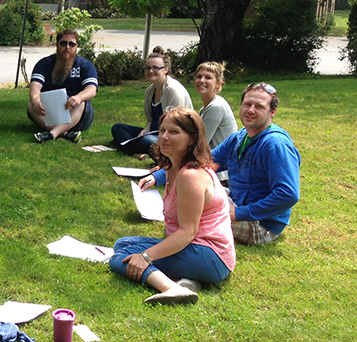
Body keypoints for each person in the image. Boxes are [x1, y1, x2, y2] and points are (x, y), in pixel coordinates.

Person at [110, 107, 235, 305]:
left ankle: (172, 288)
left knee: (121, 258)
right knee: (123, 244)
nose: (165, 137)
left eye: (174, 132)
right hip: (199, 250)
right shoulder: (173, 167)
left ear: (193, 139)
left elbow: (187, 233)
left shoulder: (190, 176)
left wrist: (145, 256)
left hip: (210, 256)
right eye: (162, 131)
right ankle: (187, 280)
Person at [150, 83, 300, 245]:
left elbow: (288, 194)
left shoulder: (275, 145)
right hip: (236, 203)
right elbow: (203, 163)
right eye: (247, 104)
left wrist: (240, 213)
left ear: (272, 112)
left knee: (189, 219)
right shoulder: (239, 137)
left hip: (261, 225)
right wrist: (156, 177)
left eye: (259, 107)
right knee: (189, 202)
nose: (251, 110)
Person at [111, 47, 193, 158]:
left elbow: (176, 124)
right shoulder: (150, 91)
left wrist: (158, 135)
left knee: (146, 140)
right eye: (148, 68)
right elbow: (150, 119)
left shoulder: (173, 90)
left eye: (156, 68)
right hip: (154, 132)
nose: (150, 71)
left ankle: (128, 147)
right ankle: (138, 150)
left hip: (171, 134)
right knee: (118, 128)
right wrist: (146, 129)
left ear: (166, 69)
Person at [28, 29, 98, 144]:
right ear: (56, 45)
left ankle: (52, 134)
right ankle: (65, 133)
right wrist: (36, 100)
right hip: (50, 113)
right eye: (63, 43)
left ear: (77, 47)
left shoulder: (85, 65)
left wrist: (78, 97)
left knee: (82, 103)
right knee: (31, 105)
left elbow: (91, 89)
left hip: (76, 114)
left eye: (72, 44)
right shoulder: (44, 64)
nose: (67, 47)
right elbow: (35, 87)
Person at [194, 61, 237, 182]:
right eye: (199, 76)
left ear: (218, 83)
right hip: (208, 165)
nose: (202, 80)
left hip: (221, 173)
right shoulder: (205, 108)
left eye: (208, 77)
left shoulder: (216, 107)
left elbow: (201, 143)